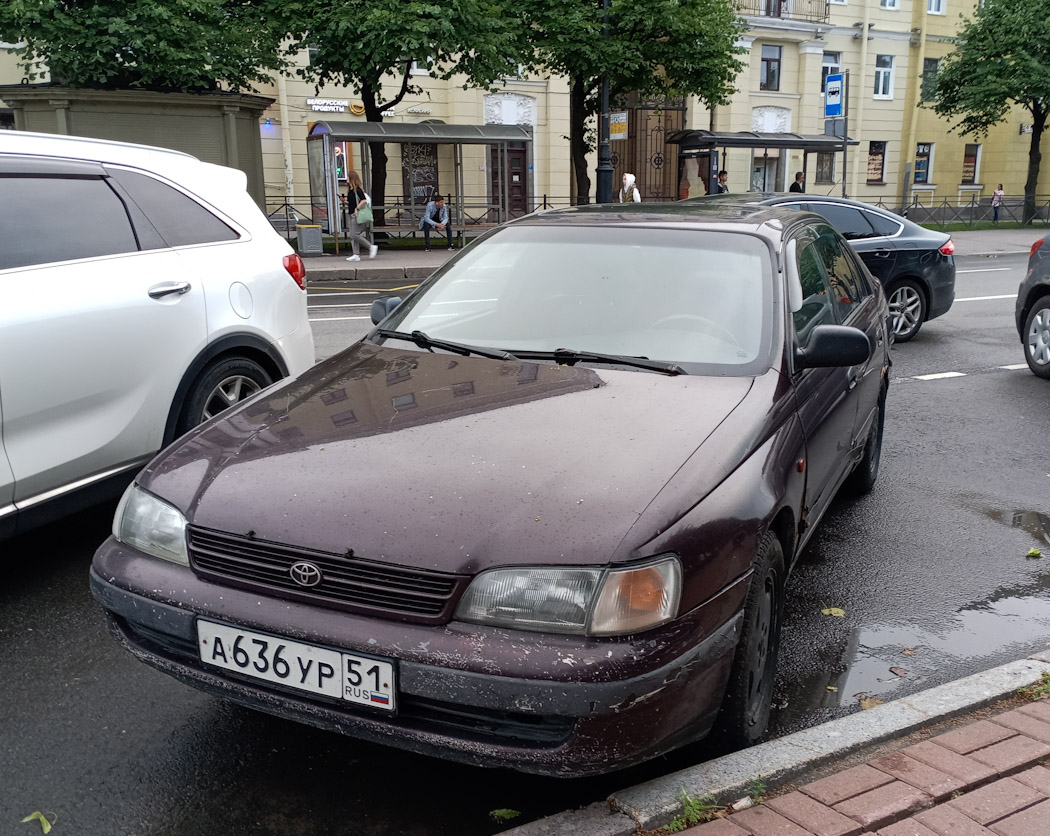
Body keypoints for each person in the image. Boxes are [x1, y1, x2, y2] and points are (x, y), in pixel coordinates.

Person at [344, 170, 378, 262]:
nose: (346, 178)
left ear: (351, 178)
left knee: (355, 234)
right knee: (352, 235)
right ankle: (356, 254)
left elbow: (363, 200)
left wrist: (357, 208)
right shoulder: (350, 190)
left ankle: (371, 247)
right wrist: (344, 202)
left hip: (356, 215)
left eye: (347, 177)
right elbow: (352, 203)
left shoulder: (357, 189)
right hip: (351, 214)